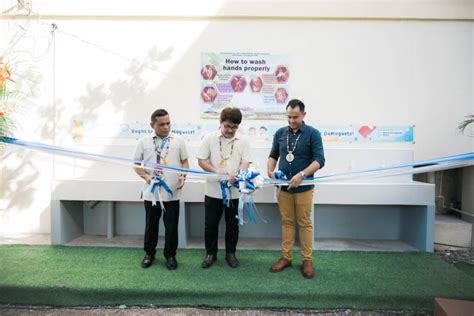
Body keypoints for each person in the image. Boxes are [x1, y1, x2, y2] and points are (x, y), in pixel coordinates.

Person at [267, 99, 325, 279]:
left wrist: (302, 175)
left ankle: (307, 260)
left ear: (304, 115)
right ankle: (286, 257)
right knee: (287, 222)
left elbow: (319, 160)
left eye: (295, 117)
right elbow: (273, 155)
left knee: (304, 223)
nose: (291, 120)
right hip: (284, 188)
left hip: (304, 188)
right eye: (289, 117)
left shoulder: (313, 134)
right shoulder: (280, 133)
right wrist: (269, 170)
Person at [133, 109, 189, 270]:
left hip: (172, 192)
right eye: (161, 124)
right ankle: (149, 253)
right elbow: (136, 164)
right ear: (152, 125)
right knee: (151, 224)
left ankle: (170, 255)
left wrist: (182, 177)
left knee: (171, 226)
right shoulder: (143, 142)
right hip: (152, 193)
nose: (166, 127)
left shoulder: (179, 141)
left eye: (168, 123)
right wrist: (146, 177)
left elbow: (185, 163)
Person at [197, 107, 251, 269]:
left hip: (234, 192)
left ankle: (230, 253)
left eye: (234, 127)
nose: (230, 130)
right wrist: (217, 171)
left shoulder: (243, 141)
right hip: (213, 191)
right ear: (220, 123)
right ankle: (210, 254)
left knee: (232, 225)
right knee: (211, 224)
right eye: (227, 126)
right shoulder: (209, 138)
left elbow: (246, 161)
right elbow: (201, 160)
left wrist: (240, 174)